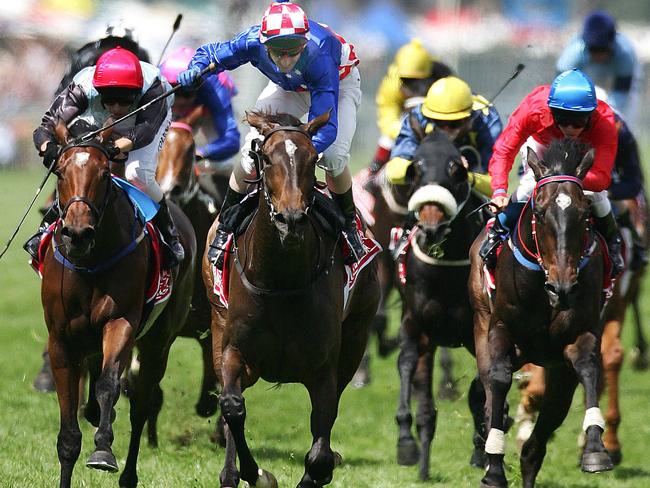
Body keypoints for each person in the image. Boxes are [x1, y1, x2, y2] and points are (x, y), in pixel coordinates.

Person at [177, 0, 365, 267]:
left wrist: (297, 153)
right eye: (278, 51)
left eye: (293, 50)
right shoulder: (251, 41)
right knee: (251, 150)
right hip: (288, 89)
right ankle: (225, 226)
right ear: (264, 43)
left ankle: (348, 226)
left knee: (332, 156)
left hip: (336, 84)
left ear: (304, 42)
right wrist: (194, 69)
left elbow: (326, 125)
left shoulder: (322, 50)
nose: (286, 59)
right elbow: (212, 54)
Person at [29, 46, 184, 266]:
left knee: (137, 174)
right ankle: (46, 229)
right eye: (110, 100)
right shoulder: (83, 88)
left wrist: (110, 149)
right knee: (77, 168)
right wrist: (50, 149)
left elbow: (143, 134)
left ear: (137, 90)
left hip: (142, 121)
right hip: (95, 116)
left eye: (125, 100)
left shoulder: (154, 89)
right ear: (99, 91)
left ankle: (169, 232)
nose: (117, 108)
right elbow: (47, 126)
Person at [479, 69, 624, 277]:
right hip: (543, 147)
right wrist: (500, 191)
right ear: (551, 111)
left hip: (581, 155)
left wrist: (566, 179)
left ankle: (613, 242)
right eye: (562, 119)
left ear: (591, 115)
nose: (570, 128)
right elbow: (504, 150)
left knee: (598, 197)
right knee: (527, 189)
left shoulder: (605, 121)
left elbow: (601, 177)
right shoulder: (533, 108)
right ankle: (496, 233)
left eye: (579, 122)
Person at [384, 75, 502, 195]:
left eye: (454, 123)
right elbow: (393, 172)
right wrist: (430, 164)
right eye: (438, 122)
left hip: (474, 174)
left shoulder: (488, 122)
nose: (446, 129)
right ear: (429, 116)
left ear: (469, 118)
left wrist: (464, 175)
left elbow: (497, 186)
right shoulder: (417, 118)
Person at [370, 39, 453, 174]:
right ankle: (374, 170)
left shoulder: (443, 75)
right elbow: (387, 117)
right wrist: (403, 132)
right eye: (406, 81)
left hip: (437, 118)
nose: (412, 87)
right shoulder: (391, 83)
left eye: (418, 81)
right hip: (405, 121)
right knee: (386, 139)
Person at [556, 10, 640, 127]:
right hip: (584, 79)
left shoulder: (625, 53)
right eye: (593, 49)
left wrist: (608, 114)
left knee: (621, 121)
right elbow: (561, 90)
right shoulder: (574, 52)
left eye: (602, 49)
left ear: (612, 43)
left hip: (616, 82)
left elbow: (622, 93)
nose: (598, 55)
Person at [159, 46, 240, 165]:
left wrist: (201, 153)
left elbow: (232, 141)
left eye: (187, 94)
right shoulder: (157, 79)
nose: (181, 100)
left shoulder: (215, 90)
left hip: (207, 109)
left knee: (223, 166)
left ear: (199, 88)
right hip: (178, 103)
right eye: (175, 92)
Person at [56, 19, 150, 94]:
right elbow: (64, 94)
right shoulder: (85, 58)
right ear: (101, 46)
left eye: (125, 45)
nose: (117, 49)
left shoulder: (142, 61)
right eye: (112, 44)